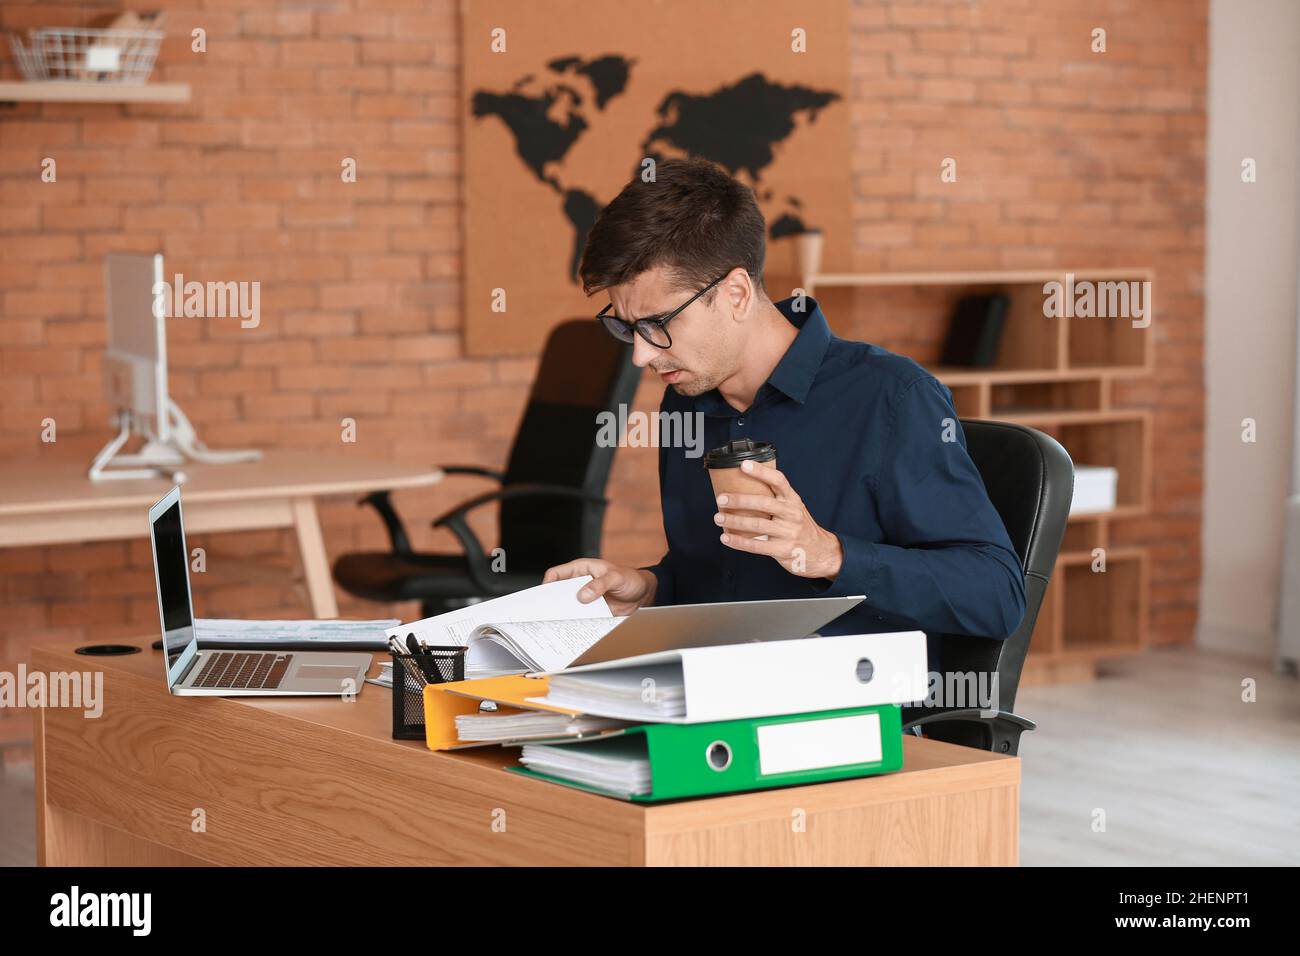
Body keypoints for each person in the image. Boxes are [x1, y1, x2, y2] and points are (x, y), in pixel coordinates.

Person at [544, 157, 1025, 669]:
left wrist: (829, 554)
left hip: (852, 716)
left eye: (657, 324)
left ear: (735, 293)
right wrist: (650, 589)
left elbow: (997, 595)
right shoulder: (686, 402)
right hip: (719, 702)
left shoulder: (892, 397)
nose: (640, 356)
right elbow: (720, 582)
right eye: (626, 328)